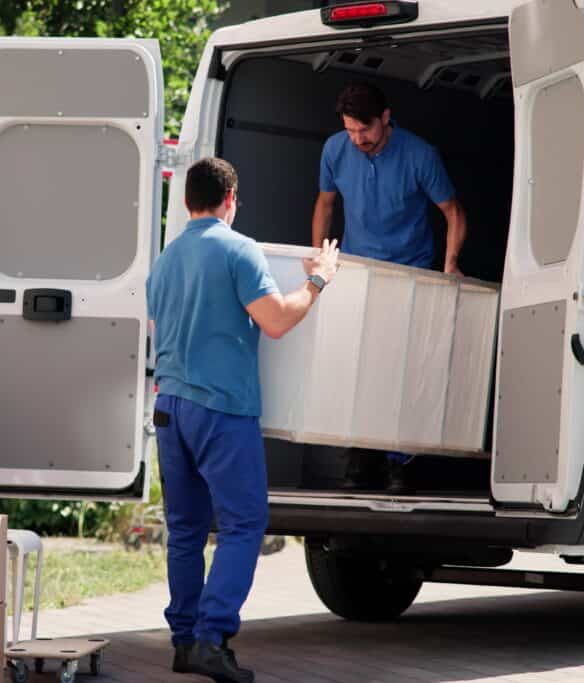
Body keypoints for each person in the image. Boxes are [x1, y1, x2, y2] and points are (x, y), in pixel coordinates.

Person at [147, 157, 339, 682]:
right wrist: (318, 282)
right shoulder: (239, 249)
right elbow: (276, 321)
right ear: (230, 199)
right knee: (244, 523)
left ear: (189, 201)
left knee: (185, 530)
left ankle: (185, 642)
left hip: (170, 408)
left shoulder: (164, 261)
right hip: (220, 409)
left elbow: (157, 327)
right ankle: (212, 638)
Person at [312, 82, 468, 494]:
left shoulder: (420, 155)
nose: (358, 139)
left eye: (365, 130)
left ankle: (400, 463)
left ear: (385, 118)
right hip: (357, 270)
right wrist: (320, 259)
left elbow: (452, 212)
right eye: (350, 131)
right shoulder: (335, 150)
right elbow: (325, 203)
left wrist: (450, 264)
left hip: (409, 273)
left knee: (401, 369)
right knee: (358, 368)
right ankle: (360, 458)